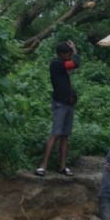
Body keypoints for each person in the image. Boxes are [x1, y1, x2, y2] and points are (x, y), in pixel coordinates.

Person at [35, 41, 80, 177]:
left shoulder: (62, 66)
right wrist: (75, 51)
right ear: (61, 54)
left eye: (70, 53)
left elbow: (71, 67)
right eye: (68, 53)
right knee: (55, 133)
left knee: (65, 136)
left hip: (69, 104)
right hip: (60, 104)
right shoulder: (56, 64)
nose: (69, 55)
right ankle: (43, 166)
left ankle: (62, 166)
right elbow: (75, 64)